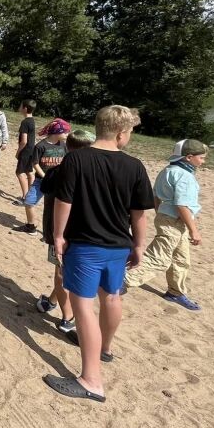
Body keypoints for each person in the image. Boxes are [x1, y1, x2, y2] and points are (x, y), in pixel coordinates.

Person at [45, 105, 154, 403]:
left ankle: (91, 380)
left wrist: (58, 236)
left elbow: (63, 202)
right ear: (121, 134)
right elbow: (139, 214)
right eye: (130, 133)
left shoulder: (76, 159)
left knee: (83, 306)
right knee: (112, 297)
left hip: (86, 245)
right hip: (118, 245)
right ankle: (104, 349)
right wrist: (139, 245)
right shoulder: (135, 166)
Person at [122, 139, 209, 311]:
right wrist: (194, 230)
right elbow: (182, 205)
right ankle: (123, 280)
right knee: (159, 258)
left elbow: (155, 196)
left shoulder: (167, 170)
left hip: (167, 217)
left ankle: (175, 292)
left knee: (181, 259)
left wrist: (160, 212)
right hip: (175, 221)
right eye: (201, 158)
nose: (203, 161)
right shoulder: (184, 176)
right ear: (189, 157)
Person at [35, 130, 94, 336]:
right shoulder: (86, 173)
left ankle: (54, 305)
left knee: (63, 272)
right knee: (63, 272)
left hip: (65, 232)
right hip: (71, 232)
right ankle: (65, 315)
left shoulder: (59, 171)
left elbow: (46, 189)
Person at [17, 118, 71, 234]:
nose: (67, 134)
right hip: (41, 181)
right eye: (65, 132)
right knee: (29, 202)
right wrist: (45, 177)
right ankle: (30, 227)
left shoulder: (63, 145)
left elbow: (67, 161)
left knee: (55, 207)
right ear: (57, 132)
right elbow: (35, 163)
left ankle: (55, 232)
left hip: (58, 182)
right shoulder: (40, 146)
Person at [13, 99, 36, 206]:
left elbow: (24, 141)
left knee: (19, 173)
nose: (19, 107)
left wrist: (18, 152)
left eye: (20, 105)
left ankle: (25, 197)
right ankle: (30, 196)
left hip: (25, 150)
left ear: (25, 108)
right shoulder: (32, 120)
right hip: (31, 150)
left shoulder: (25, 122)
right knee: (29, 172)